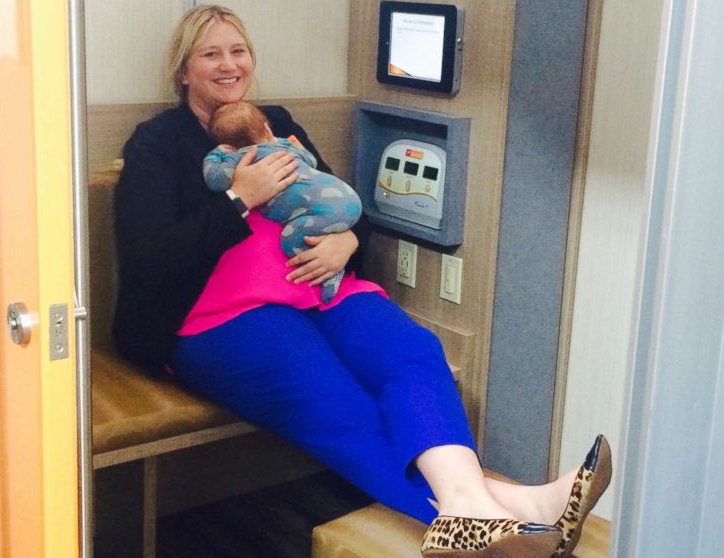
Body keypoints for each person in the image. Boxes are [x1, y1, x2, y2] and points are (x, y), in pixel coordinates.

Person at [112, 5, 610, 557]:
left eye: (238, 50)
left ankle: (484, 510)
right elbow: (151, 257)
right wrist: (240, 198)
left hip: (320, 293)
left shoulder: (279, 122)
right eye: (211, 54)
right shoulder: (158, 143)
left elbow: (343, 203)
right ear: (184, 71)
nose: (229, 65)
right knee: (331, 392)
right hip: (221, 317)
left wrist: (349, 241)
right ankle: (508, 514)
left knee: (411, 350)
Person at [203, 101, 363, 303]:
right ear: (267, 128)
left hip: (326, 220)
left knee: (290, 241)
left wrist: (215, 155)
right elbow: (311, 161)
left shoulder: (236, 158)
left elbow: (215, 180)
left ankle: (329, 274)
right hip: (348, 198)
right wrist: (241, 196)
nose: (228, 67)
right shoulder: (285, 144)